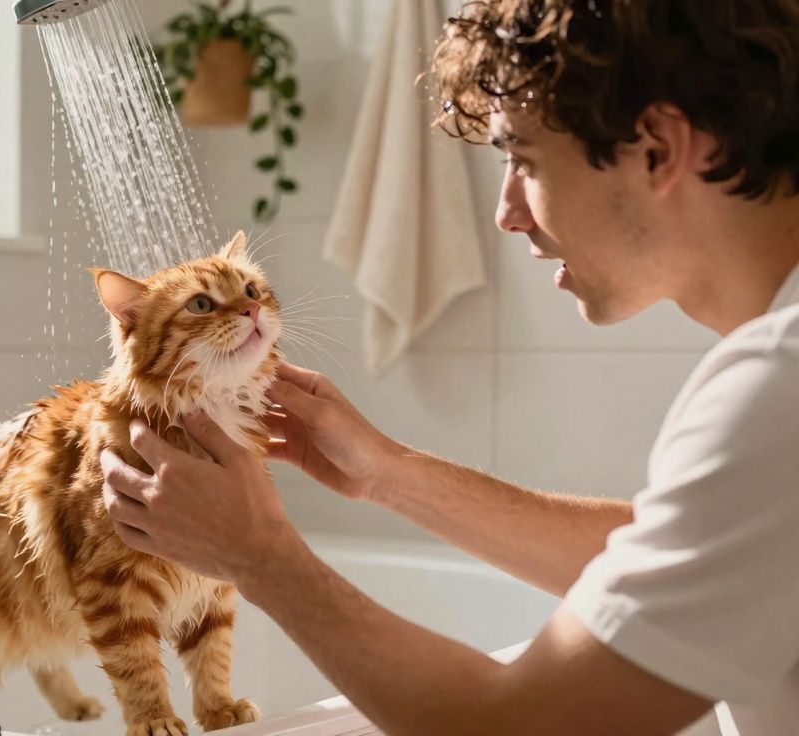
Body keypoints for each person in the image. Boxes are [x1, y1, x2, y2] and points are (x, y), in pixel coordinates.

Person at [98, 1, 799, 734]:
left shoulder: (777, 390)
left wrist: (258, 555)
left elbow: (517, 724)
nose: (506, 212)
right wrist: (385, 470)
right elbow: (677, 548)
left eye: (522, 161)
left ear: (657, 148)